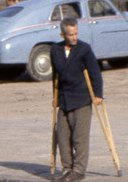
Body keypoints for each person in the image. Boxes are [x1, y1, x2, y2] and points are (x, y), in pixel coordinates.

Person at [51, 18, 103, 182]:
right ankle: (67, 168)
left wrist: (98, 94)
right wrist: (55, 96)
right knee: (62, 136)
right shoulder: (55, 50)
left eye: (76, 34)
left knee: (79, 138)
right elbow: (55, 76)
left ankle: (79, 169)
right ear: (62, 34)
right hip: (64, 98)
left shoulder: (84, 49)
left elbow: (95, 73)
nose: (74, 37)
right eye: (70, 34)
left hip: (81, 97)